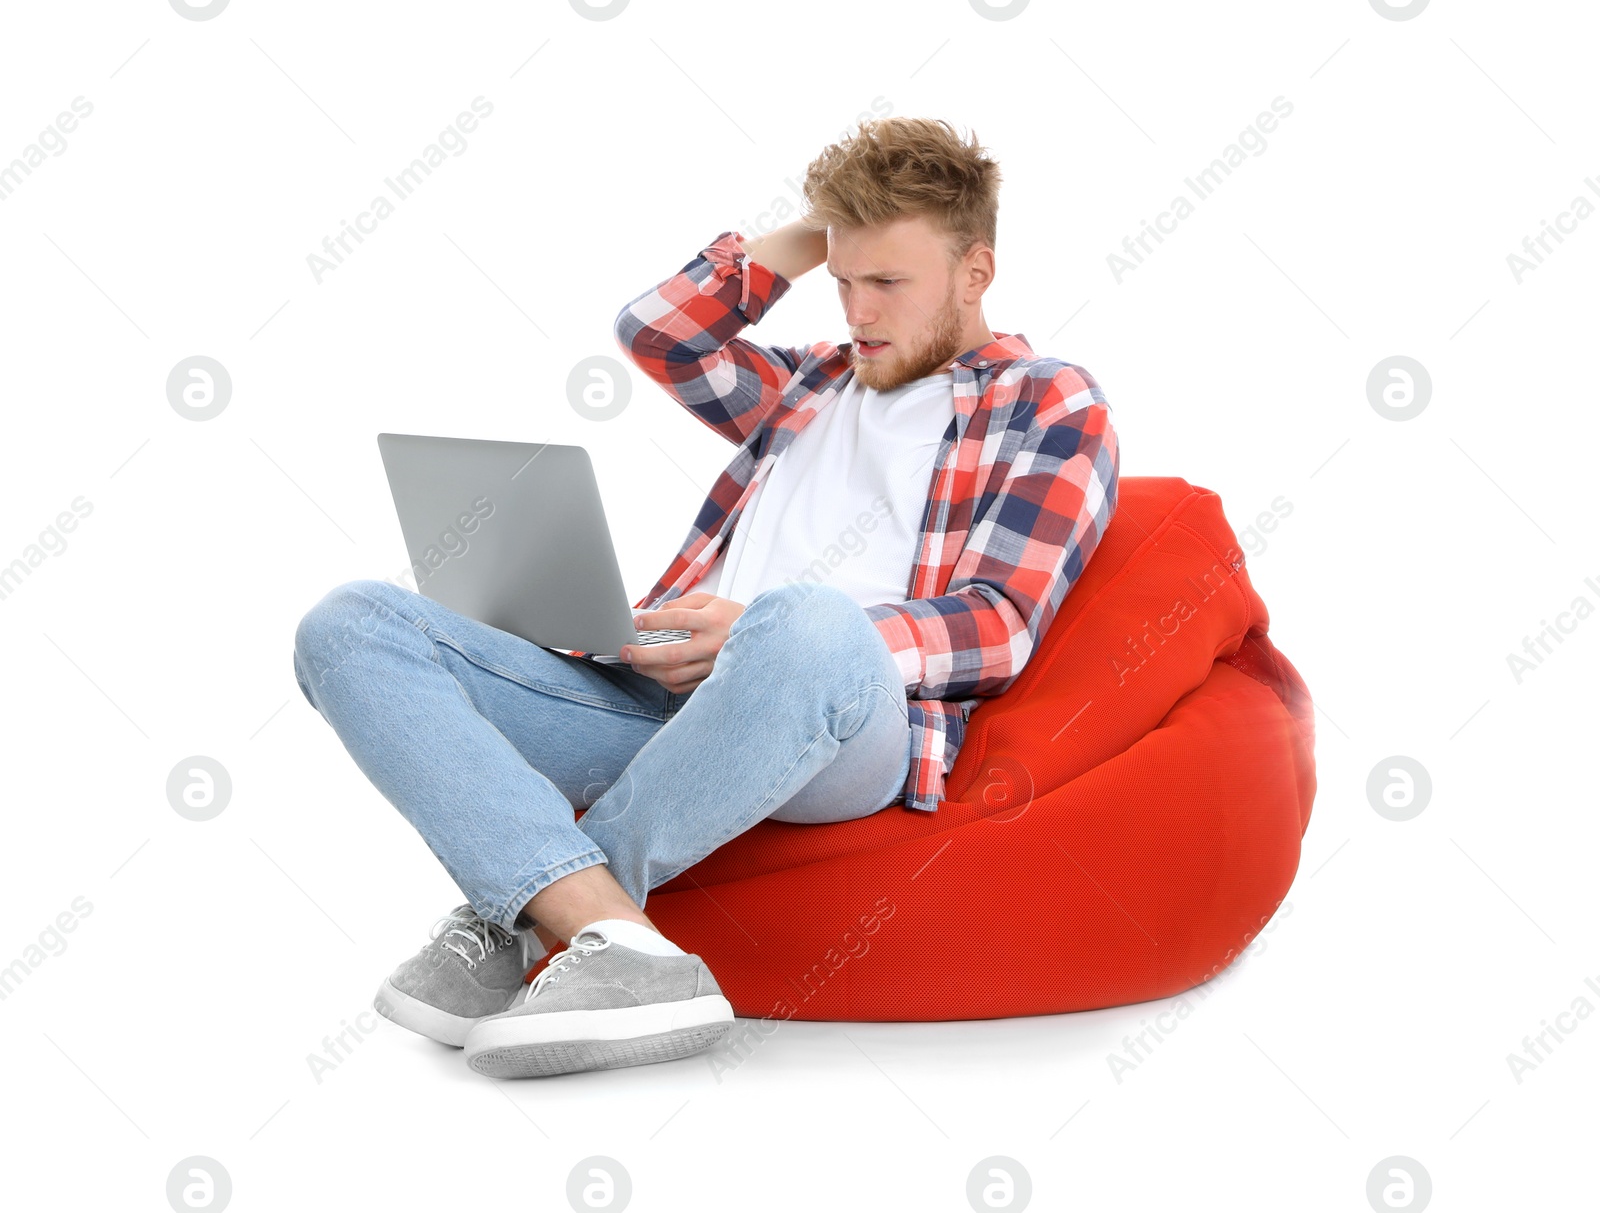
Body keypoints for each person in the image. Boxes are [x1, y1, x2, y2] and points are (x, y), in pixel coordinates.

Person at [291, 116, 1120, 1080]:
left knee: (800, 617)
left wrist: (753, 638)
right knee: (351, 623)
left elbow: (1000, 624)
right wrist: (821, 233)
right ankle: (624, 947)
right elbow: (659, 331)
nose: (858, 310)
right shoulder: (809, 383)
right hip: (659, 696)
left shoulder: (1048, 402)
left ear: (977, 271)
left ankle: (509, 916)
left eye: (888, 281)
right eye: (844, 280)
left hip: (847, 715)